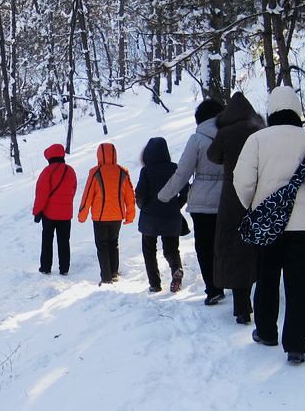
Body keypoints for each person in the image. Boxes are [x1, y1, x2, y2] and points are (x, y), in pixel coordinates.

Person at [233, 86, 305, 364]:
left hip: (268, 225)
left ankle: (267, 332)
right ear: (297, 110)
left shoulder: (257, 140)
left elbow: (241, 180)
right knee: (299, 283)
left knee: (266, 277)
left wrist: (256, 208)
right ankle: (295, 346)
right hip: (304, 228)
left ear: (271, 110)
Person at [157, 99, 226, 305]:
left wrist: (164, 195)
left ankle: (213, 289)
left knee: (205, 247)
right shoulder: (231, 135)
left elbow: (183, 173)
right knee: (224, 244)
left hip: (203, 204)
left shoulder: (197, 139)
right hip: (228, 199)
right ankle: (231, 282)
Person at [207, 92, 265, 324]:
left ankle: (242, 307)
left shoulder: (225, 133)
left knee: (234, 247)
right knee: (258, 245)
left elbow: (213, 156)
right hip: (259, 192)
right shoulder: (259, 130)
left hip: (232, 196)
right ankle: (263, 297)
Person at [135, 137, 190, 293]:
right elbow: (186, 191)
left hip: (150, 218)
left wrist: (144, 207)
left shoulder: (146, 171)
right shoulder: (174, 168)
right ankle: (176, 269)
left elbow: (140, 194)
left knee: (149, 250)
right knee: (171, 249)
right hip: (171, 216)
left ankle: (155, 283)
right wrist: (176, 205)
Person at [78, 142, 136, 285]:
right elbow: (130, 195)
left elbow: (87, 195)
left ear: (99, 155)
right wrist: (130, 215)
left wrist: (82, 215)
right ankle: (114, 273)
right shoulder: (123, 171)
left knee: (102, 245)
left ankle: (106, 277)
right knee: (113, 243)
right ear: (114, 154)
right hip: (117, 215)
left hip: (100, 217)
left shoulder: (95, 172)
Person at [32, 143, 78, 275]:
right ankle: (64, 268)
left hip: (49, 214)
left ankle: (45, 267)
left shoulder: (47, 172)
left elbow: (41, 194)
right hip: (65, 214)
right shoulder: (70, 171)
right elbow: (72, 191)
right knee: (64, 241)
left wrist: (37, 211)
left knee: (47, 240)